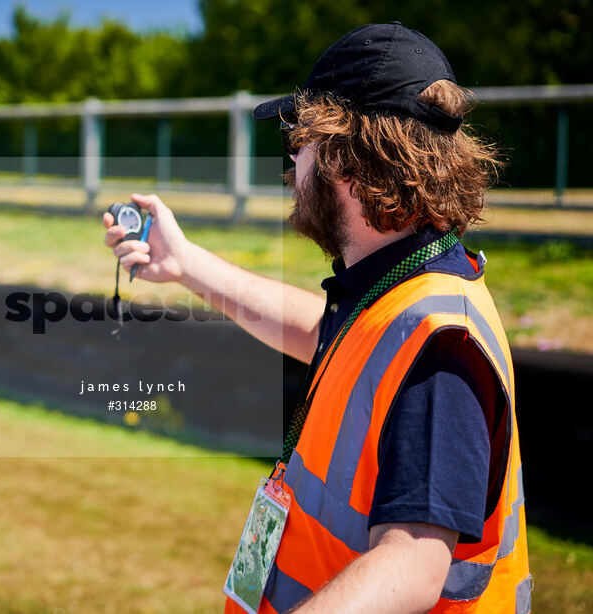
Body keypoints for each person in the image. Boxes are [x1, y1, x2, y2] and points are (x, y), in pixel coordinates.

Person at [102, 22, 531, 614]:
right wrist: (185, 264)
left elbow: (413, 562)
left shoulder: (439, 343)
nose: (292, 162)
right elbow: (321, 335)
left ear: (346, 157)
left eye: (301, 141)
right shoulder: (397, 290)